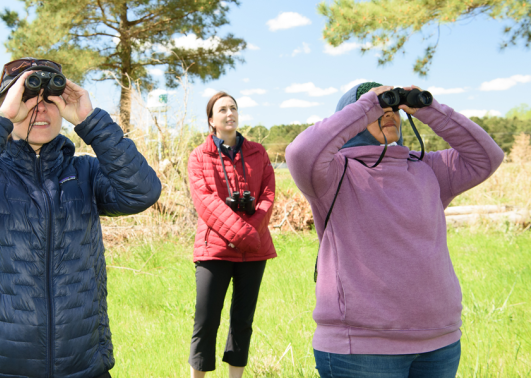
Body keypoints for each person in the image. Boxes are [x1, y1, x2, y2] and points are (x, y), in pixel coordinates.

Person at [0, 57, 161, 378]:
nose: (40, 108)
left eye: (51, 99)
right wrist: (0, 118)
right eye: (26, 98)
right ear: (6, 106)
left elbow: (143, 191)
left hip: (83, 365)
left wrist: (90, 120)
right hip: (1, 366)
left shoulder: (85, 172)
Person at [285, 82, 504, 378]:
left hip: (439, 341)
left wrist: (430, 110)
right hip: (361, 349)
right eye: (380, 108)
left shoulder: (428, 167)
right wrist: (367, 106)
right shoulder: (332, 174)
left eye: (394, 109)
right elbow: (300, 152)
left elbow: (487, 157)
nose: (389, 113)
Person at [187, 92, 276, 378]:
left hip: (253, 251)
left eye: (233, 108)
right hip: (214, 248)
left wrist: (251, 232)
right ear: (211, 120)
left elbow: (268, 195)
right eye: (222, 109)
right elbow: (206, 203)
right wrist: (247, 234)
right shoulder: (199, 156)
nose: (230, 113)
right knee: (206, 320)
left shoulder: (258, 153)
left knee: (242, 321)